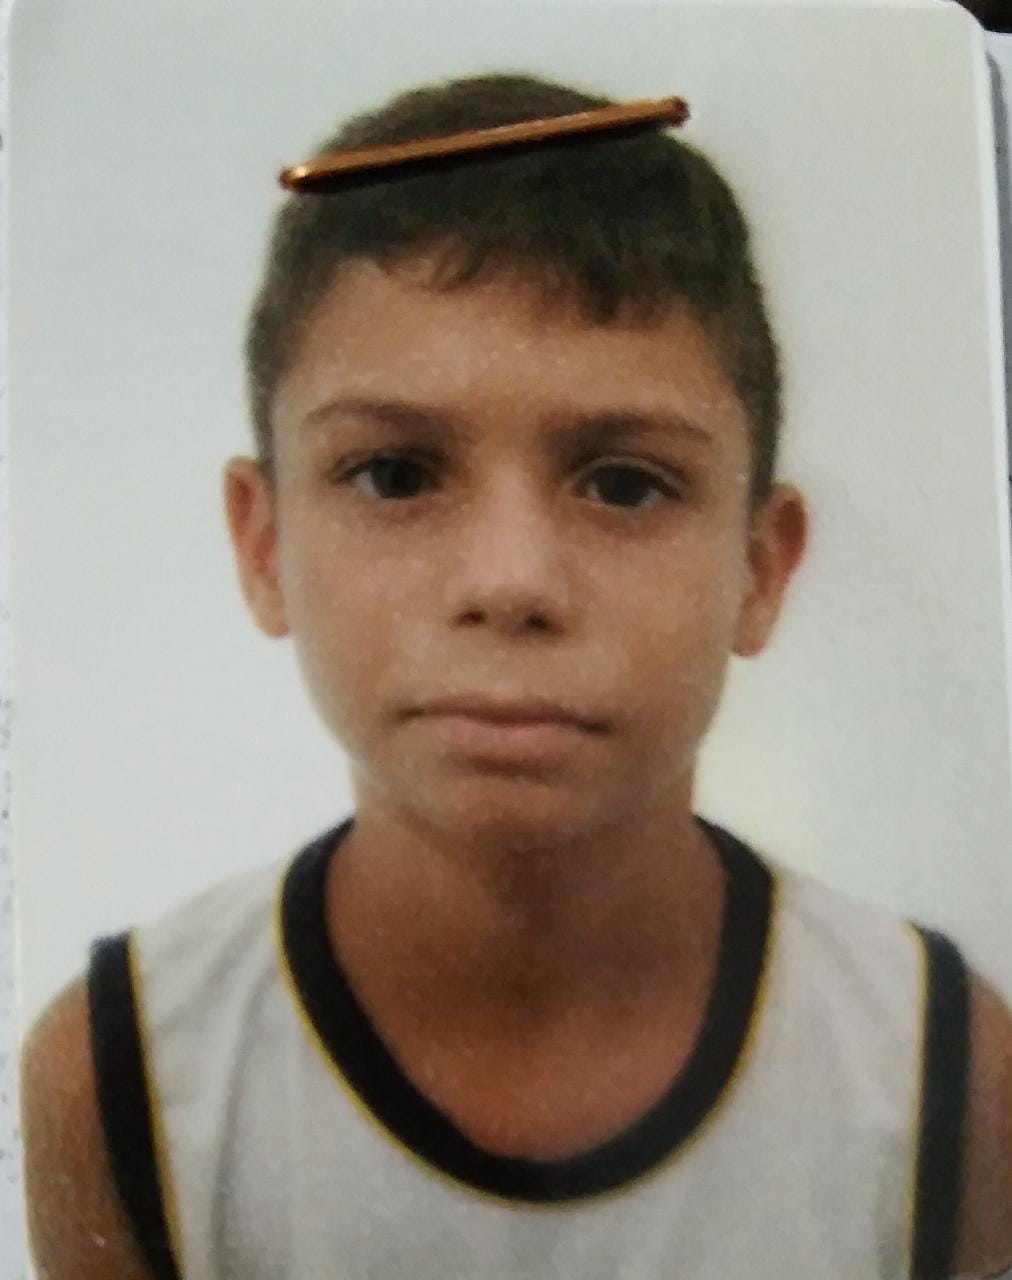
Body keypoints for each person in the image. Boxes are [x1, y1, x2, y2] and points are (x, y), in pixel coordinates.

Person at [18, 72, 1012, 1280]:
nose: (511, 579)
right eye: (395, 473)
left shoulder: (944, 1066)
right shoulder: (117, 1075)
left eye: (625, 483)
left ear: (759, 567)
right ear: (263, 543)